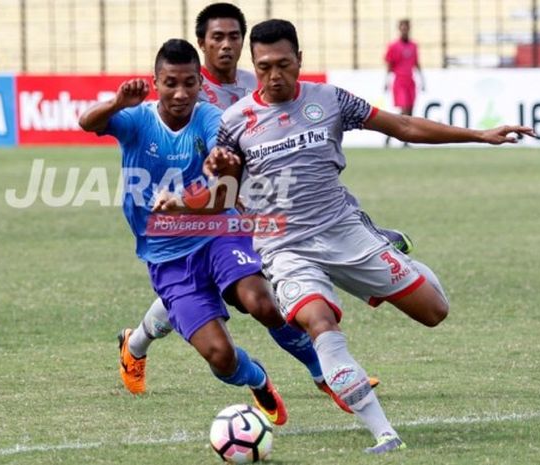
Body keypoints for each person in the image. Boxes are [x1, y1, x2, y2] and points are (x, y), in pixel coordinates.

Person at [203, 19, 535, 454]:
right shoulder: (234, 123)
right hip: (285, 249)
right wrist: (221, 176)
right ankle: (384, 433)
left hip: (345, 233)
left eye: (283, 64)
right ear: (255, 65)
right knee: (318, 321)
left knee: (434, 311)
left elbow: (403, 127)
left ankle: (388, 245)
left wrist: (479, 135)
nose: (274, 75)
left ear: (300, 61)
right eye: (264, 67)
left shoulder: (330, 100)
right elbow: (219, 199)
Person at [119, 2, 410, 402]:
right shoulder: (189, 90)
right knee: (207, 294)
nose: (226, 45)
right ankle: (135, 344)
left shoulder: (253, 81)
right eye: (216, 37)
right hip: (200, 212)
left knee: (259, 299)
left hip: (240, 211)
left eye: (234, 36)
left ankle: (322, 371)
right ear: (201, 43)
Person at [77, 39, 291, 425]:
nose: (181, 93)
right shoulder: (137, 119)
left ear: (198, 83)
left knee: (260, 302)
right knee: (222, 358)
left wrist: (219, 162)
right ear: (155, 82)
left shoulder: (208, 115)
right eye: (171, 83)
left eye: (189, 83)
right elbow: (86, 122)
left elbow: (217, 147)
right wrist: (116, 103)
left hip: (216, 231)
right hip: (166, 255)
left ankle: (328, 373)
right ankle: (257, 379)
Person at [384, 19, 425, 147]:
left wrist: (422, 79)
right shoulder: (393, 46)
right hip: (399, 80)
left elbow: (417, 63)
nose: (404, 30)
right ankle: (390, 134)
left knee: (410, 111)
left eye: (406, 27)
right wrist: (386, 80)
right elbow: (389, 65)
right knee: (404, 110)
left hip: (410, 81)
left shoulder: (414, 45)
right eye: (402, 27)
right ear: (399, 29)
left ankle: (405, 140)